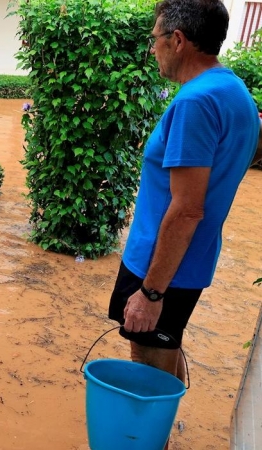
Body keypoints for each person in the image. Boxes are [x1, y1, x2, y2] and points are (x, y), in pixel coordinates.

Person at [107, 0, 258, 443]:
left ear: (177, 40)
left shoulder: (196, 101)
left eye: (155, 40)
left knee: (147, 363)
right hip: (187, 261)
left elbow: (188, 207)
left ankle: (146, 440)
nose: (152, 50)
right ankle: (157, 437)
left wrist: (152, 292)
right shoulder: (235, 92)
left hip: (164, 266)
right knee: (161, 351)